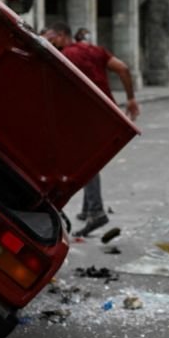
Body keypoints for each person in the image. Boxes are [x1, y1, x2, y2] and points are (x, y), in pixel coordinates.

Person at [41, 22, 140, 235]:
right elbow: (122, 68)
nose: (50, 42)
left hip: (85, 117)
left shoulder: (64, 56)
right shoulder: (94, 50)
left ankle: (96, 211)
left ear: (61, 35)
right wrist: (131, 98)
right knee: (88, 160)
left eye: (51, 38)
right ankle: (88, 210)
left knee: (85, 163)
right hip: (106, 115)